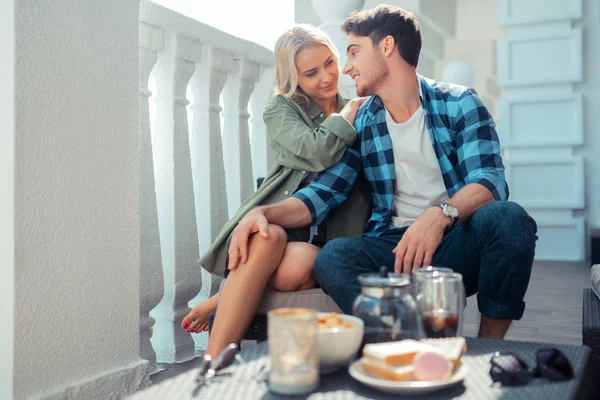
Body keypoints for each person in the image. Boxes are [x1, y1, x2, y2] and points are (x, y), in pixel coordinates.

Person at [228, 5, 538, 340]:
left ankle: (486, 347)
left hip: (455, 239)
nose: (345, 69)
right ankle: (400, 341)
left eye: (354, 53)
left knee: (509, 218)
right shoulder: (364, 120)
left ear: (386, 47)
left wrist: (438, 217)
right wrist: (261, 212)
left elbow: (489, 181)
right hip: (393, 248)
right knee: (333, 257)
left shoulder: (459, 103)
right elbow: (324, 193)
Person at [182, 24, 371, 357]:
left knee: (293, 265)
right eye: (311, 73)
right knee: (269, 237)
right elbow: (317, 152)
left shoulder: (361, 108)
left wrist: (349, 111)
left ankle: (221, 300)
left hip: (331, 240)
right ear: (294, 77)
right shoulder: (280, 110)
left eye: (329, 63)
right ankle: (215, 362)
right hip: (287, 225)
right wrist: (344, 118)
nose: (327, 77)